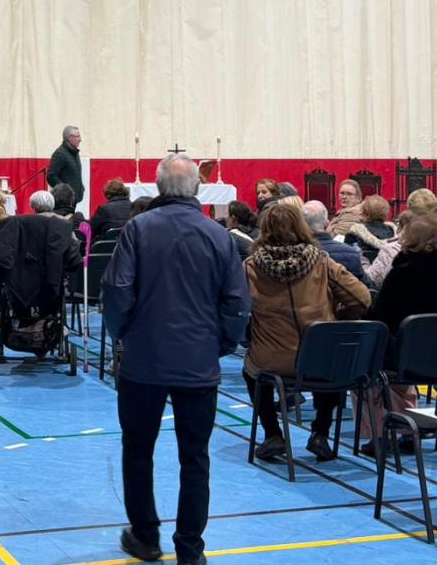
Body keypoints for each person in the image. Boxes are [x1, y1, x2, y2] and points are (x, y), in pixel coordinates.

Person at [102, 154, 248, 565]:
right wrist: (220, 343)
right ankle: (190, 549)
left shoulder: (138, 229)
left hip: (143, 361)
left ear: (158, 187)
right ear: (197, 188)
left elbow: (116, 290)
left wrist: (123, 335)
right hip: (198, 361)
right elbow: (237, 303)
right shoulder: (219, 236)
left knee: (137, 449)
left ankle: (146, 536)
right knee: (195, 457)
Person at [244, 196, 371, 463]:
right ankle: (320, 433)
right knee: (333, 363)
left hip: (271, 361)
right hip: (319, 356)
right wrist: (338, 317)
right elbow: (362, 299)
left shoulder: (251, 266)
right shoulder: (322, 261)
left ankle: (272, 434)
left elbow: (236, 308)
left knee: (250, 370)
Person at [360, 214, 437, 454]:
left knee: (365, 368)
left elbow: (380, 318)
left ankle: (380, 435)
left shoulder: (401, 274)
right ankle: (409, 432)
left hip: (404, 358)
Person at [302, 201, 373, 288]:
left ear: (301, 224)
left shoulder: (295, 253)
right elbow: (368, 288)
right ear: (326, 222)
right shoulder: (352, 254)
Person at [343, 193, 395, 266]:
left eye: (361, 209)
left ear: (364, 213)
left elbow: (347, 260)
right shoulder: (394, 234)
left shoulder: (353, 235)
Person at [46, 126, 84, 213]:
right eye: (77, 136)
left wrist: (81, 188)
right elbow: (51, 176)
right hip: (64, 201)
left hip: (73, 198)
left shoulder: (74, 152)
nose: (80, 139)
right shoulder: (59, 154)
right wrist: (65, 191)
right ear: (69, 138)